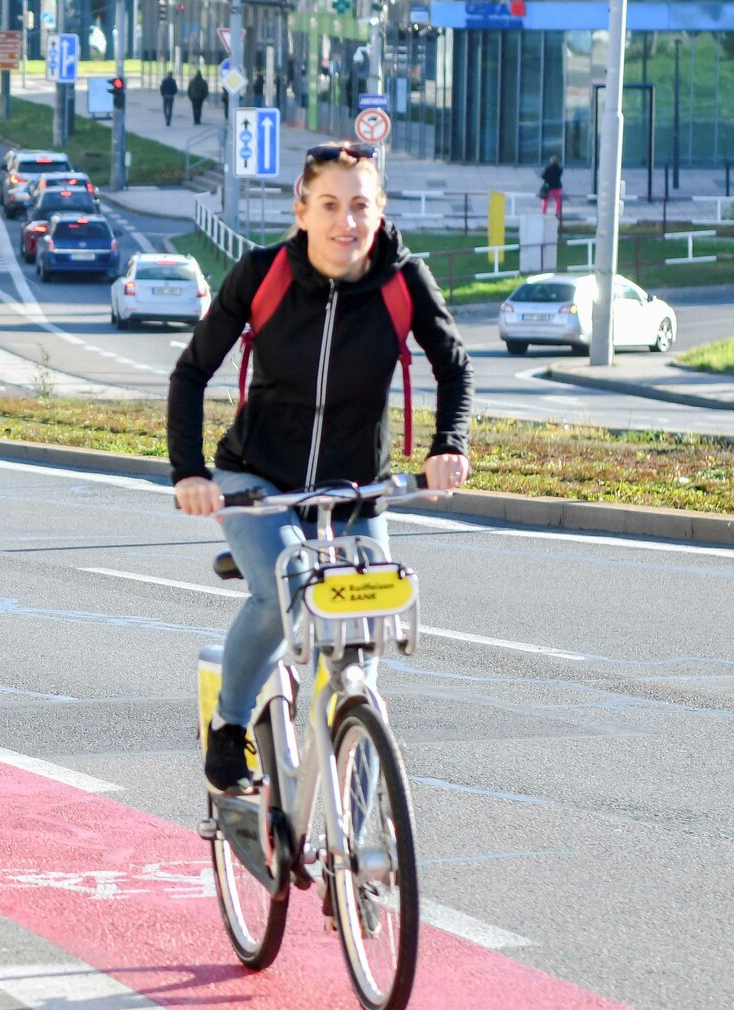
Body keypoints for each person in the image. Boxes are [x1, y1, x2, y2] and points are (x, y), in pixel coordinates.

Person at [167, 143, 473, 795]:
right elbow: (192, 372)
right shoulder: (262, 275)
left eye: (360, 205)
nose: (347, 222)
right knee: (288, 588)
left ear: (380, 209)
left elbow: (455, 366)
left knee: (361, 634)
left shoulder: (404, 282)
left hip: (357, 491)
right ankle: (228, 727)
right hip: (257, 481)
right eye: (330, 205)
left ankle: (352, 792)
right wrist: (188, 472)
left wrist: (449, 445)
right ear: (302, 211)